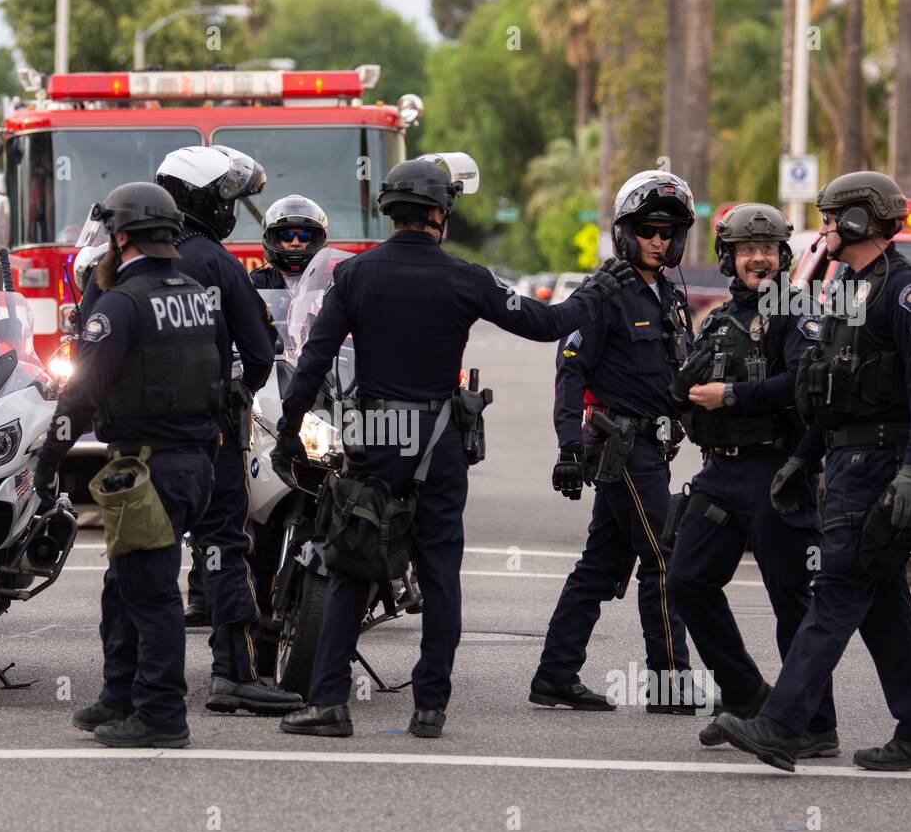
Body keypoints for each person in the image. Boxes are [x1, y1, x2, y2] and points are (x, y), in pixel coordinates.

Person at [272, 152, 592, 739]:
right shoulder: (466, 278)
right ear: (440, 214)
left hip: (372, 439)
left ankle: (328, 704)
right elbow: (547, 323)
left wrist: (289, 434)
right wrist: (597, 293)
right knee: (440, 572)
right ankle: (430, 708)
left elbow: (313, 362)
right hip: (439, 440)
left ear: (390, 212)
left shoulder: (354, 277)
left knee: (352, 560)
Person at [714, 171, 911, 772]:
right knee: (883, 606)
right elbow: (833, 393)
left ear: (857, 221)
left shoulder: (907, 293)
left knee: (837, 594)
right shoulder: (851, 291)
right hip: (848, 465)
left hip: (881, 469)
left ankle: (781, 725)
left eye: (830, 218)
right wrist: (804, 458)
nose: (822, 230)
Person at [33, 182, 223, 748]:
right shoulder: (193, 292)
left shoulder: (121, 305)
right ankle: (119, 695)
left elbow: (81, 397)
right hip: (193, 464)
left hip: (149, 468)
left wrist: (47, 464)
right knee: (125, 584)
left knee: (150, 592)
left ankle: (162, 714)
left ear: (120, 238)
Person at [665, 202, 838, 757]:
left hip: (775, 470)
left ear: (784, 255)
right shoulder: (717, 319)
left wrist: (733, 395)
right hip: (721, 471)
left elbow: (804, 384)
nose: (758, 258)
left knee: (792, 601)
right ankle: (746, 695)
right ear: (728, 258)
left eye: (767, 249)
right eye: (746, 250)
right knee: (687, 582)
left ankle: (815, 726)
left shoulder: (795, 309)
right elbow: (688, 394)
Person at [531, 170, 706, 715]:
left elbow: (681, 376)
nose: (659, 239)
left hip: (655, 445)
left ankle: (555, 676)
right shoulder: (602, 293)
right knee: (664, 558)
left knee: (601, 567)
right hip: (622, 445)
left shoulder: (671, 297)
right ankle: (670, 684)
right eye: (649, 229)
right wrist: (567, 446)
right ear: (626, 231)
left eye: (669, 230)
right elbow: (570, 373)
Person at [156, 145, 302, 716]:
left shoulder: (118, 257)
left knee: (141, 557)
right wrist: (235, 391)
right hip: (210, 437)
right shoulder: (216, 263)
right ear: (199, 200)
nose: (231, 212)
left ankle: (135, 683)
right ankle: (232, 675)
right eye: (226, 200)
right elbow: (262, 353)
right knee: (223, 548)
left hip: (138, 442)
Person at [249, 195, 329, 293]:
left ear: (314, 240)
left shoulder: (330, 283)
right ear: (276, 240)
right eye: (287, 236)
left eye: (304, 236)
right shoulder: (255, 283)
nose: (295, 243)